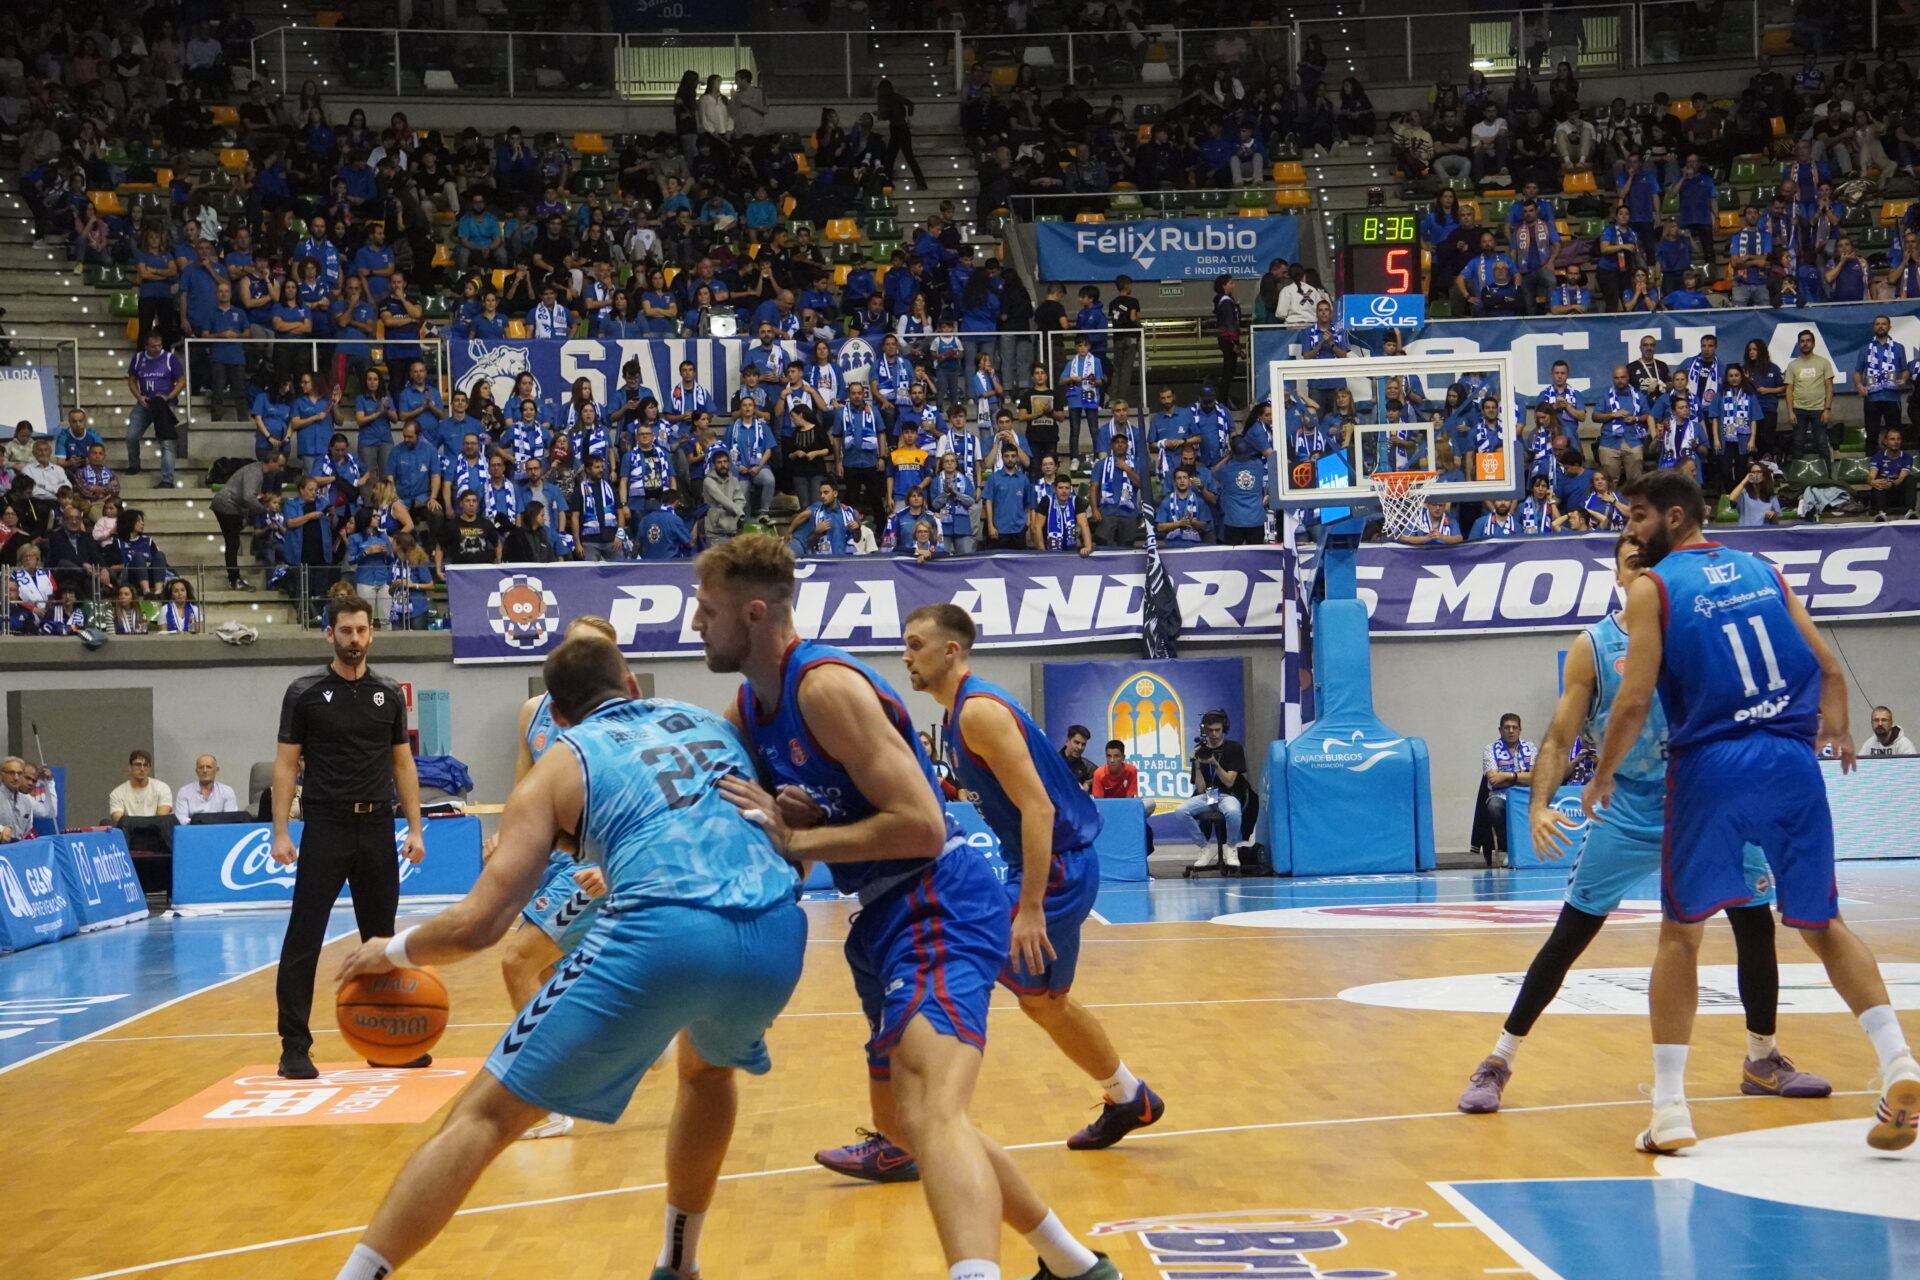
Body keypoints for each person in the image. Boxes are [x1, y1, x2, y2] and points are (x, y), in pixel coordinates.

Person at [691, 536, 1119, 1280]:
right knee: (905, 1124)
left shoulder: (824, 687)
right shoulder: (749, 710)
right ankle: (1075, 1265)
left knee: (931, 1108)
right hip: (882, 915)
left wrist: (800, 836)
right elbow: (783, 829)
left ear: (754, 613)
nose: (696, 623)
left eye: (707, 608)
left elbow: (921, 826)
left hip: (938, 897)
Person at [330, 631, 808, 1280]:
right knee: (706, 1073)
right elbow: (787, 820)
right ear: (632, 683)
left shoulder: (561, 760)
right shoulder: (710, 722)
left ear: (554, 714)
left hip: (665, 933)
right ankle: (678, 1264)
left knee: (481, 1117)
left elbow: (480, 925)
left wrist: (391, 950)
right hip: (776, 931)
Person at [1585, 472, 1920, 1154]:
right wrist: (1838, 728)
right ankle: (1898, 1062)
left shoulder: (1653, 587)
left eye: (1639, 516)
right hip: (1792, 762)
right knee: (1824, 923)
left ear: (1674, 518)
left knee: (1680, 936)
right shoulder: (1765, 570)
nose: (1630, 530)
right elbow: (1829, 668)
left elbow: (1634, 697)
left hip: (1712, 764)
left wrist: (1605, 769)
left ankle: (1669, 1109)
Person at [1458, 535, 1829, 1114]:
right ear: (1617, 576)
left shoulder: (1698, 632)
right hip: (1628, 810)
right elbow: (1557, 738)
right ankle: (1498, 1060)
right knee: (1569, 937)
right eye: (1634, 564)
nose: (1645, 574)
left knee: (1755, 923)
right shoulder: (1595, 647)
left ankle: (1763, 1057)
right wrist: (1536, 806)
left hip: (1709, 805)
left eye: (1653, 564)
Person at [906, 603, 1166, 1152]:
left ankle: (908, 1135)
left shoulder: (978, 712)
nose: (906, 657)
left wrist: (1028, 909)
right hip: (1057, 866)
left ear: (950, 651)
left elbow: (1040, 809)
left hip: (1057, 871)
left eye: (915, 645)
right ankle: (1130, 1098)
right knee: (1044, 1002)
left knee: (941, 964)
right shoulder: (959, 714)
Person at [270, 594, 426, 1081]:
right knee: (304, 938)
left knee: (382, 941)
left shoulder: (389, 693)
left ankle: (386, 1044)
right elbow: (286, 765)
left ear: (371, 633)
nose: (354, 639)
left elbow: (403, 763)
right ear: (329, 635)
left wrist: (415, 827)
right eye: (345, 631)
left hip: (378, 826)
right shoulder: (304, 692)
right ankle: (294, 1047)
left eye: (361, 630)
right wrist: (280, 831)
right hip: (326, 827)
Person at [1171, 711, 1255, 871]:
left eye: (1218, 730)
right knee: (1181, 811)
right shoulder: (1201, 750)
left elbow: (1229, 782)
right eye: (1210, 730)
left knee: (1233, 811)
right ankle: (1205, 847)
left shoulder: (1234, 748)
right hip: (1208, 796)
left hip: (1229, 795)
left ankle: (1231, 847)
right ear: (1205, 730)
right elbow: (1201, 789)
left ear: (1224, 728)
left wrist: (1214, 764)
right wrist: (1196, 764)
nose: (1214, 734)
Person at [1479, 713, 1534, 865]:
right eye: (1507, 727)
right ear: (1500, 730)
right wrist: (1522, 777)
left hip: (1526, 795)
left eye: (1514, 727)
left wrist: (1507, 776)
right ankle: (1511, 850)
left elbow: (1536, 777)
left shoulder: (1530, 748)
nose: (1511, 731)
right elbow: (1494, 780)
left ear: (1520, 730)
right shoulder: (1490, 749)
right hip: (1501, 795)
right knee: (1494, 806)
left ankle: (1535, 849)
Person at [0, 757, 58, 842]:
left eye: (19, 774)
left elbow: (50, 812)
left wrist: (49, 782)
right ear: (2, 775)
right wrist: (1, 829)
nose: (16, 777)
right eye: (11, 773)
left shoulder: (26, 800)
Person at [1866, 428, 1915, 520]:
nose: (1896, 442)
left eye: (1898, 439)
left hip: (1898, 492)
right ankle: (1881, 513)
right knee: (1878, 480)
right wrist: (1872, 482)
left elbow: (1901, 478)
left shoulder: (1907, 457)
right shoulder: (1877, 457)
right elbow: (1871, 476)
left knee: (1910, 479)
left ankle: (1910, 512)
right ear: (1885, 441)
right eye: (1892, 439)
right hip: (1883, 493)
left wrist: (1891, 484)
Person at [109, 749, 173, 820]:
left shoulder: (162, 788)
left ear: (149, 768)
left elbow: (162, 819)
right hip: (129, 827)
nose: (142, 769)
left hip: (155, 827)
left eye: (145, 765)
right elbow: (117, 819)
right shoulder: (117, 793)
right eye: (138, 765)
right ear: (130, 768)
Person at [173, 755, 240, 823]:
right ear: (196, 771)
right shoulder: (184, 792)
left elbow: (231, 818)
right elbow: (181, 818)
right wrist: (199, 824)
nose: (205, 770)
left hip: (219, 829)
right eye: (201, 767)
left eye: (209, 767)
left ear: (216, 770)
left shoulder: (227, 791)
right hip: (193, 828)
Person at [1059, 725, 1095, 791]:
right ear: (1067, 741)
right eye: (1076, 742)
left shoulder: (1088, 767)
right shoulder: (1053, 761)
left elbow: (1102, 778)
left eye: (1083, 744)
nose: (1080, 747)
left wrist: (1088, 782)